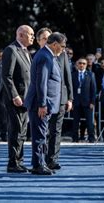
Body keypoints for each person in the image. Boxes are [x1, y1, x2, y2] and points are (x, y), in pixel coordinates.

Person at [24, 32, 66, 175]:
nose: (63, 49)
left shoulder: (48, 55)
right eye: (62, 46)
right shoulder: (44, 56)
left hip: (44, 103)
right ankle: (38, 165)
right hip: (40, 103)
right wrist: (42, 104)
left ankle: (39, 163)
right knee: (40, 135)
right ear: (54, 44)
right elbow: (41, 83)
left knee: (41, 134)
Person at [35, 27, 73, 170]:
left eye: (48, 38)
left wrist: (70, 98)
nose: (46, 40)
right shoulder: (40, 55)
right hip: (46, 99)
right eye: (44, 38)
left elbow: (67, 76)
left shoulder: (62, 55)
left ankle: (52, 159)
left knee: (56, 130)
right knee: (43, 130)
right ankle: (41, 159)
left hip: (61, 98)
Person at [1, 25, 34, 173]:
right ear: (21, 34)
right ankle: (13, 163)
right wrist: (14, 95)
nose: (33, 37)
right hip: (16, 98)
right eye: (31, 34)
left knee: (22, 131)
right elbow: (6, 76)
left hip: (25, 98)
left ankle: (19, 161)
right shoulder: (11, 50)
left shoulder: (25, 51)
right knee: (15, 130)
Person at [71, 58, 96, 143]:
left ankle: (91, 137)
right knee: (75, 121)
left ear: (86, 65)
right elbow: (70, 89)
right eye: (80, 63)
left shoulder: (90, 74)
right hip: (76, 102)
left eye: (84, 63)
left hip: (87, 102)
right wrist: (70, 101)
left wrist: (92, 102)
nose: (81, 65)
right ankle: (75, 138)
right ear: (77, 64)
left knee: (89, 121)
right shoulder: (72, 75)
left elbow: (93, 89)